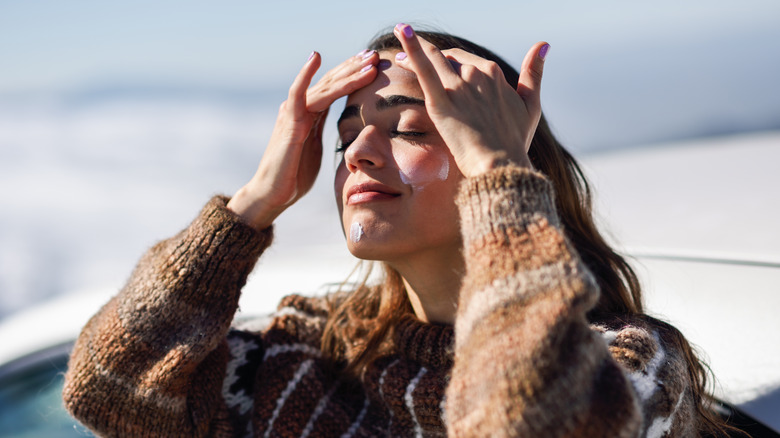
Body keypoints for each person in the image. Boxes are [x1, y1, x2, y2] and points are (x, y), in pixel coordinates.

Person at [63, 24, 731, 437]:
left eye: (410, 129)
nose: (356, 152)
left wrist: (500, 172)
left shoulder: (629, 367)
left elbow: (531, 421)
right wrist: (252, 203)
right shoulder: (309, 359)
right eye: (345, 137)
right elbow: (105, 390)